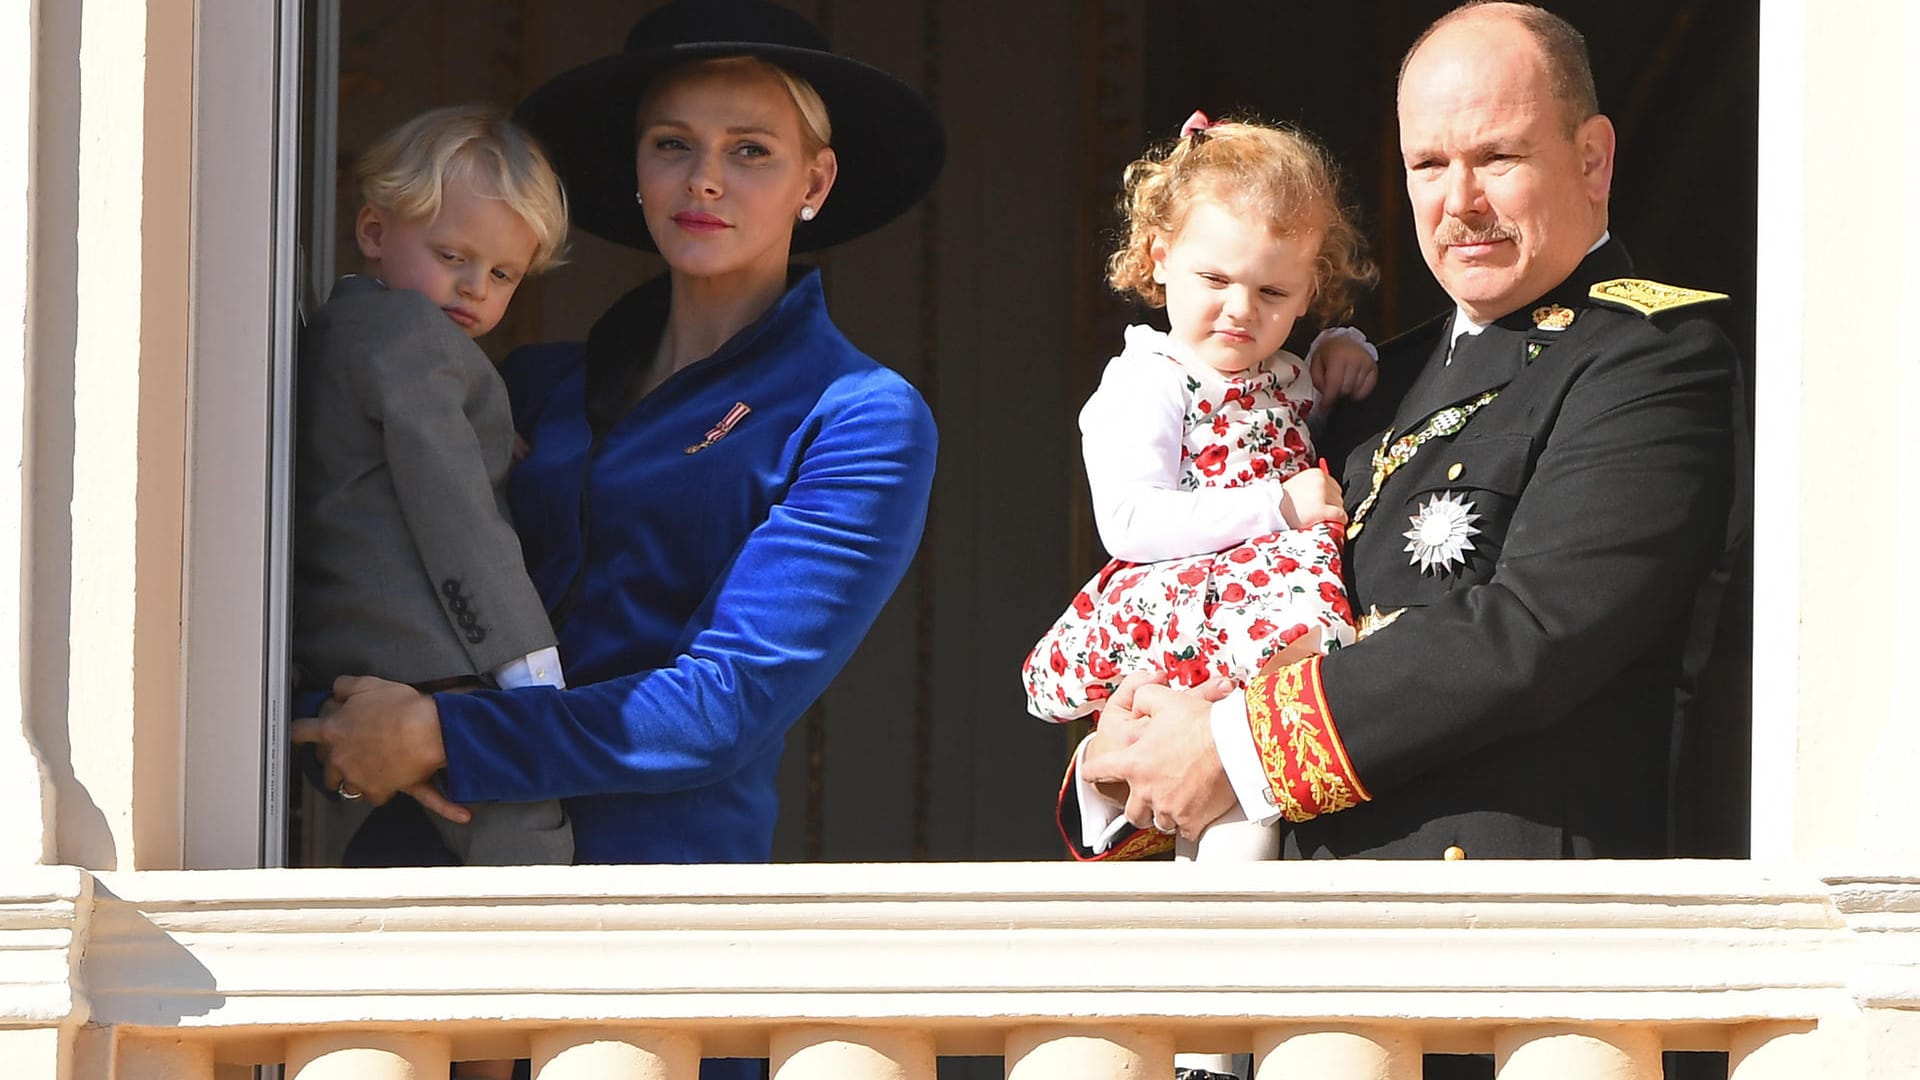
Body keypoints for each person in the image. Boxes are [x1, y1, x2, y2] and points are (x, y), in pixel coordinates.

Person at [292, 3, 944, 1078]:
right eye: (672, 145)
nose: (705, 181)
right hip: (422, 892)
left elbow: (719, 706)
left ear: (814, 184)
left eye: (751, 152)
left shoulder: (860, 415)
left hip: (645, 924)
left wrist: (443, 738)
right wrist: (344, 724)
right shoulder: (526, 386)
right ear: (635, 173)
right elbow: (363, 564)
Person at [1065, 0, 1743, 872]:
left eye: (1497, 158)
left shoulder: (1650, 359)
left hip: (1508, 939)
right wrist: (1139, 748)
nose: (1460, 202)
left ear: (1592, 159)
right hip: (1299, 931)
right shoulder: (1367, 380)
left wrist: (1235, 749)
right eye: (1429, 163)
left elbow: (1534, 633)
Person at [293, 104, 575, 871]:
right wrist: (529, 668)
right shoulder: (413, 338)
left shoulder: (339, 334)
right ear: (375, 232)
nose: (474, 288)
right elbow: (456, 513)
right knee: (526, 853)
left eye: (503, 273)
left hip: (350, 664)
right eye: (453, 254)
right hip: (437, 670)